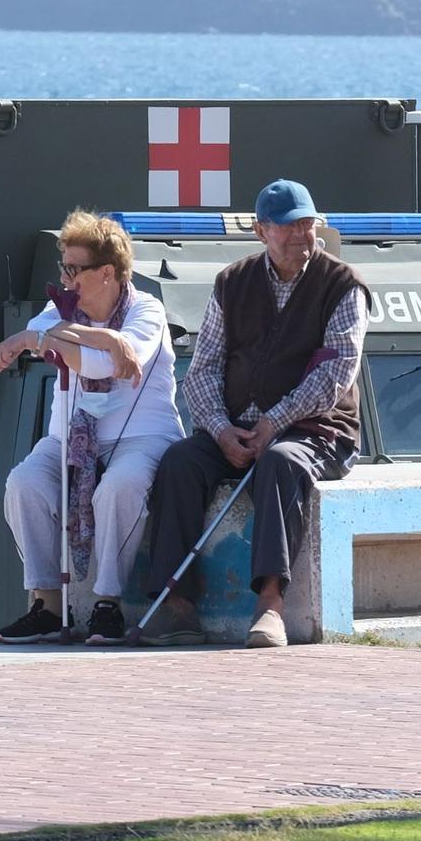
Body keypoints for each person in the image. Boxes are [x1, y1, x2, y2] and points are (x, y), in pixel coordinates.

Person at [140, 179, 369, 650]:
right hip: (239, 425)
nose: (302, 236)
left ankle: (270, 606)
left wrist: (276, 421)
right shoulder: (232, 283)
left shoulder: (344, 286)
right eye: (289, 227)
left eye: (308, 224)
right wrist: (222, 432)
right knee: (180, 462)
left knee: (280, 462)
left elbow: (335, 377)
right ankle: (177, 606)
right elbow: (202, 371)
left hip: (317, 429)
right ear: (261, 230)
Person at [0, 210, 182, 646]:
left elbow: (103, 364)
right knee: (24, 483)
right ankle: (48, 605)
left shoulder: (146, 310)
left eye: (75, 269)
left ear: (107, 272)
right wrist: (92, 335)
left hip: (142, 436)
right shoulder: (60, 309)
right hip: (72, 436)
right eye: (63, 268)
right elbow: (39, 335)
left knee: (120, 487)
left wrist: (46, 339)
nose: (65, 278)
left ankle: (106, 603)